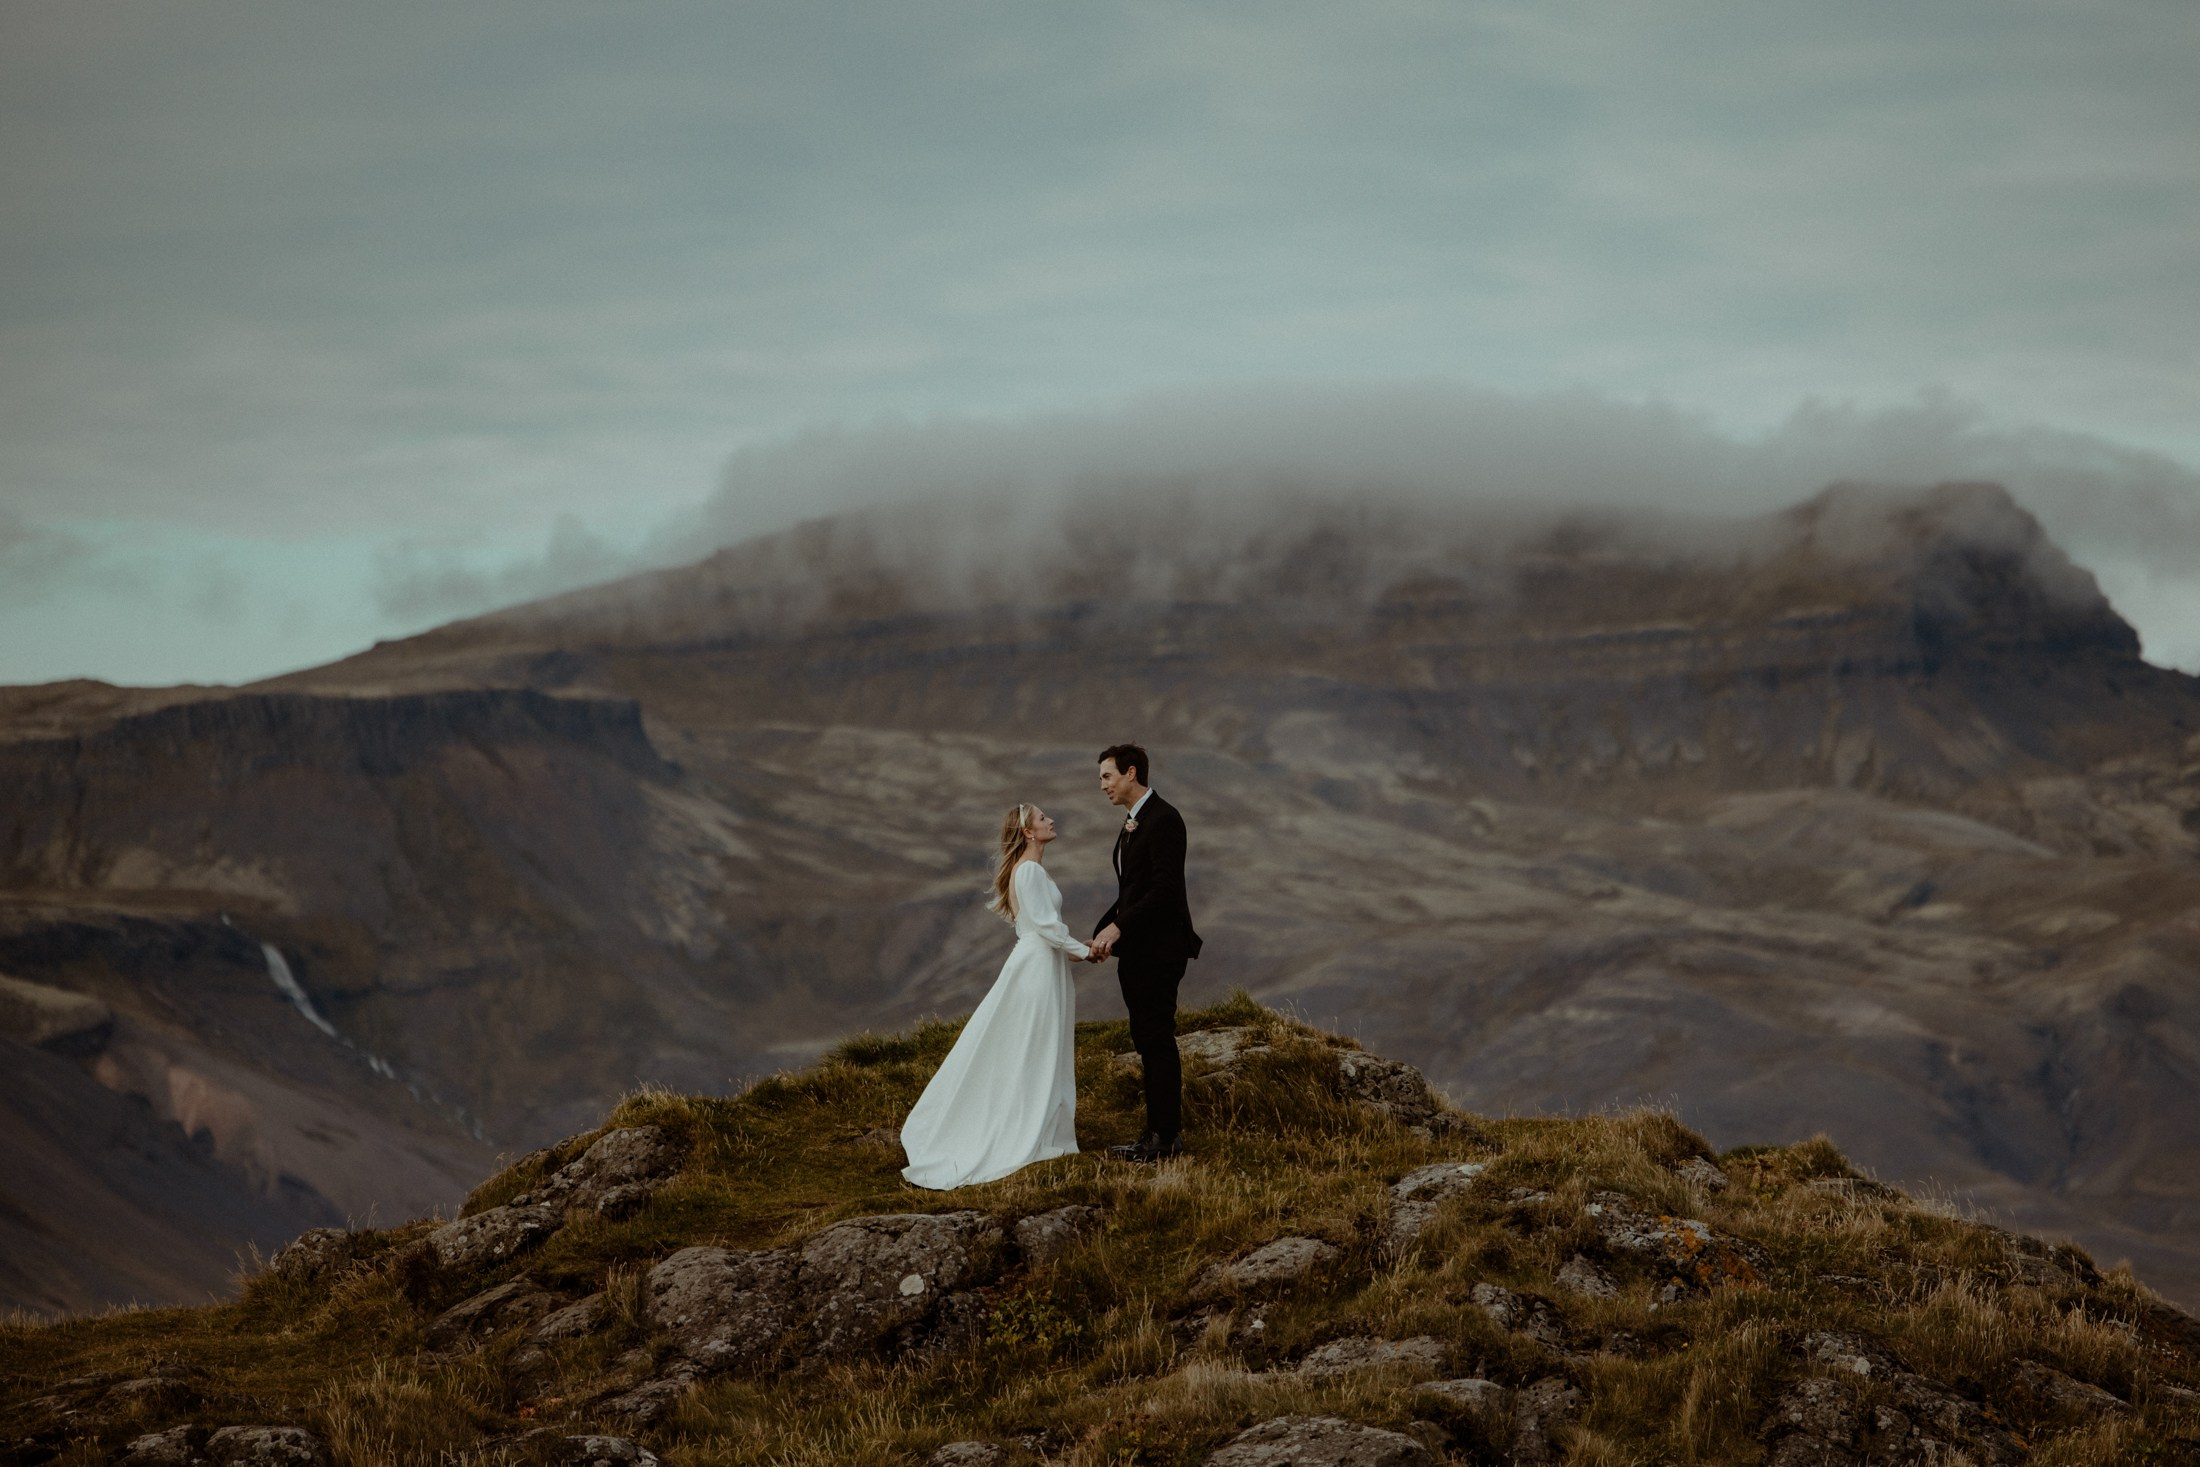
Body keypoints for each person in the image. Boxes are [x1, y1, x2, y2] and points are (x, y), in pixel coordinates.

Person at [900, 803, 1091, 1189]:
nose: (1050, 820)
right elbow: (1044, 926)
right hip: (1037, 967)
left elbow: (1043, 927)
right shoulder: (1031, 870)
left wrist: (1076, 949)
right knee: (1035, 1044)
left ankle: (1035, 1120)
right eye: (1041, 818)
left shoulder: (1030, 870)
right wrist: (1085, 951)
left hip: (1040, 960)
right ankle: (1027, 1127)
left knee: (1032, 1043)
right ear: (1028, 832)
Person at [1090, 743, 1201, 1162]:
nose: (1102, 785)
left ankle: (1165, 1138)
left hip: (1160, 949)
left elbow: (1165, 891)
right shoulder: (1133, 822)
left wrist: (1119, 927)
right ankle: (1156, 1133)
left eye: (1107, 776)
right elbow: (1132, 892)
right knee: (1146, 1037)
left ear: (1131, 773)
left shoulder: (1164, 819)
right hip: (1139, 948)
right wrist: (1104, 933)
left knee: (1156, 1038)